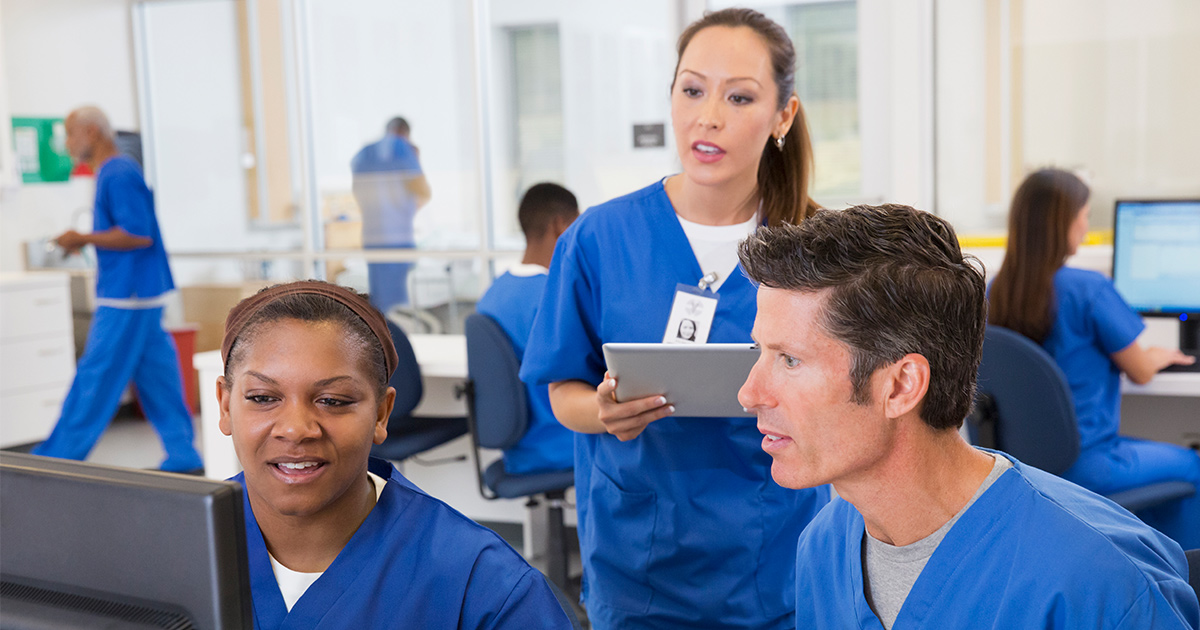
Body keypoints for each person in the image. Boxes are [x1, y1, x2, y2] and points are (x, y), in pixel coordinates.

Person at [737, 204, 1199, 630]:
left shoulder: (1101, 586)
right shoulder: (823, 549)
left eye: (790, 360)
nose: (748, 394)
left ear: (900, 387)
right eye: (761, 352)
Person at [520, 9, 829, 629]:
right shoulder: (599, 239)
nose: (708, 116)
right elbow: (562, 390)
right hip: (639, 568)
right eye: (692, 90)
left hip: (778, 566)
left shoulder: (818, 248)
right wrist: (605, 412)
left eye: (739, 97)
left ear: (782, 116)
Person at [216, 281, 573, 629]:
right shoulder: (186, 546)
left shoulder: (484, 590)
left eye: (333, 401)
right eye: (262, 398)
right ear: (225, 405)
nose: (295, 429)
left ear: (381, 414)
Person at [988, 168, 1200, 549]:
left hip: (1022, 465)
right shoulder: (1089, 289)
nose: (1086, 227)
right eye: (1084, 216)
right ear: (1063, 224)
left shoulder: (993, 292)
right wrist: (1156, 356)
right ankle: (1181, 574)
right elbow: (1141, 371)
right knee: (1192, 465)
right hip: (1087, 463)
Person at [33, 106, 203, 474]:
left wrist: (83, 237)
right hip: (139, 293)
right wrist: (88, 239)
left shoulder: (118, 172)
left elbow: (137, 234)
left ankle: (56, 460)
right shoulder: (115, 172)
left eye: (70, 134)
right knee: (157, 378)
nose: (67, 143)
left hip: (128, 296)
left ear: (91, 132)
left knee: (95, 376)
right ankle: (183, 454)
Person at [475, 183, 579, 474]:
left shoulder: (493, 292)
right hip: (562, 445)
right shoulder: (554, 296)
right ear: (560, 225)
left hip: (520, 449)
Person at [351, 116, 432, 314]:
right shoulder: (403, 149)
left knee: (380, 301)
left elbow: (359, 192)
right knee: (398, 304)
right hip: (398, 238)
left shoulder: (365, 152)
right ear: (405, 133)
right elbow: (423, 192)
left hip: (373, 237)